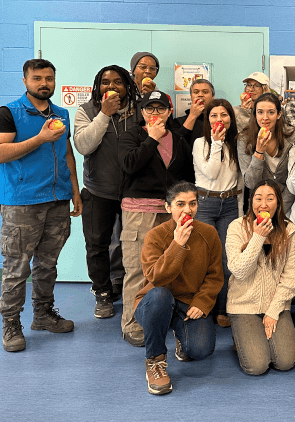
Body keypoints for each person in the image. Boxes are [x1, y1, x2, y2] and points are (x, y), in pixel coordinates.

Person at [0, 59, 82, 352]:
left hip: (57, 201)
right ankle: (11, 323)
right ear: (25, 81)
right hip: (22, 204)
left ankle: (43, 314)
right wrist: (40, 138)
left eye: (49, 78)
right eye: (38, 78)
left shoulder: (61, 114)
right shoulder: (7, 114)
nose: (44, 83)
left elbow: (67, 154)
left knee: (47, 264)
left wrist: (76, 192)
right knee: (17, 267)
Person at [118, 90, 194, 347]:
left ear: (169, 111)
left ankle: (164, 320)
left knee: (171, 270)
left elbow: (185, 178)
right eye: (149, 109)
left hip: (170, 214)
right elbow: (129, 165)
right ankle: (132, 324)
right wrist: (151, 139)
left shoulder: (179, 140)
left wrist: (184, 209)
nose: (155, 113)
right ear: (142, 113)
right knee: (138, 270)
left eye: (160, 109)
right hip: (139, 214)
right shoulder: (132, 136)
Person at [134, 181, 224, 395]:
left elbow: (215, 276)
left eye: (192, 204)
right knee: (161, 296)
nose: (187, 210)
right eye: (180, 204)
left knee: (200, 350)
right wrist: (178, 245)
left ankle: (181, 336)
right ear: (168, 207)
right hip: (154, 300)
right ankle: (155, 360)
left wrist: (202, 302)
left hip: (188, 302)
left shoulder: (209, 233)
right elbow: (155, 277)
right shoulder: (156, 235)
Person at [74, 64, 139, 319]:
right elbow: (83, 145)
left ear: (127, 86)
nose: (111, 87)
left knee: (134, 245)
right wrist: (103, 114)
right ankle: (102, 292)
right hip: (98, 190)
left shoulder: (138, 111)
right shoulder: (86, 111)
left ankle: (129, 288)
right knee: (97, 245)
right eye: (105, 82)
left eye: (117, 82)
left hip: (133, 192)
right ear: (97, 86)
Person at [226, 179, 295, 375]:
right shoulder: (237, 227)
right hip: (244, 304)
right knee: (257, 366)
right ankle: (242, 336)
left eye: (270, 198)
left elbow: (291, 277)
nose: (263, 204)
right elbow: (238, 270)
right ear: (251, 202)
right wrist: (257, 237)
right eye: (258, 198)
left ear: (278, 203)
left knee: (285, 362)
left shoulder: (288, 230)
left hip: (275, 304)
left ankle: (255, 336)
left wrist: (273, 311)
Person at [192, 98, 241, 328]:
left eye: (224, 115)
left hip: (230, 203)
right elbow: (211, 173)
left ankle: (222, 309)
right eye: (214, 115)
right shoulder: (201, 143)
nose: (219, 120)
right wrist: (216, 143)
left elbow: (240, 178)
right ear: (207, 119)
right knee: (204, 259)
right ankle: (202, 307)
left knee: (226, 260)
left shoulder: (236, 144)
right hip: (206, 203)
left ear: (231, 119)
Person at [239, 93, 295, 213]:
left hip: (288, 206)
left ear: (279, 114)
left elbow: (293, 178)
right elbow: (250, 183)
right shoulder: (244, 139)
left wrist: (280, 208)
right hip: (259, 206)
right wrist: (259, 152)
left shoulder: (293, 136)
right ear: (255, 114)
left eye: (271, 112)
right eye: (260, 112)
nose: (265, 117)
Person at [177, 79, 215, 170]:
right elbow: (177, 147)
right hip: (186, 173)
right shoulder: (178, 121)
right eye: (196, 92)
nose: (200, 95)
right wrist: (192, 116)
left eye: (205, 92)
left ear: (212, 97)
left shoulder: (217, 120)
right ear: (191, 96)